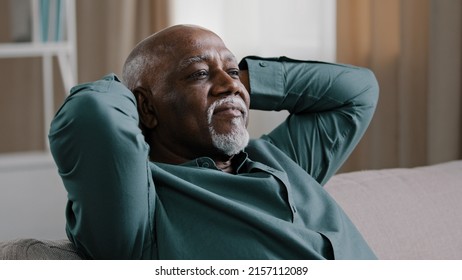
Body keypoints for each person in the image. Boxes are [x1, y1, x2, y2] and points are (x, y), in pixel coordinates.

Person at [49, 24, 379, 260]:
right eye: (198, 74)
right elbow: (91, 114)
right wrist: (134, 95)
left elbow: (356, 91)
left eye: (233, 72)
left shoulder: (279, 157)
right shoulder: (141, 208)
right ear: (146, 108)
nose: (230, 85)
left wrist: (233, 82)